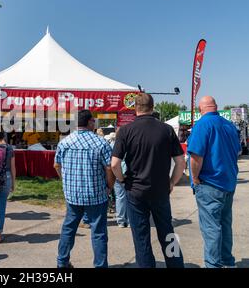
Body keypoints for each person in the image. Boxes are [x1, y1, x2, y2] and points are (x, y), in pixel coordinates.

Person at [111, 93, 185, 268]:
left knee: (141, 236)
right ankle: (176, 265)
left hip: (135, 190)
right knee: (168, 232)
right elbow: (180, 162)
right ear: (153, 107)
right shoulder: (166, 130)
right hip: (160, 190)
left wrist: (122, 181)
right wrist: (172, 182)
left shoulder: (126, 131)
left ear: (135, 108)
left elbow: (115, 164)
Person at [54, 110, 114, 268]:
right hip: (96, 194)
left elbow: (57, 165)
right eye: (93, 121)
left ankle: (62, 262)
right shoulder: (100, 143)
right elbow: (109, 168)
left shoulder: (65, 142)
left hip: (73, 195)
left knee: (69, 228)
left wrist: (65, 181)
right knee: (99, 232)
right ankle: (100, 265)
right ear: (90, 122)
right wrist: (109, 186)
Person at [188, 96, 241, 268]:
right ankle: (227, 261)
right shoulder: (229, 125)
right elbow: (238, 152)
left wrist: (195, 178)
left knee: (211, 228)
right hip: (228, 183)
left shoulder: (202, 125)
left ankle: (213, 264)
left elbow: (195, 156)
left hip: (210, 183)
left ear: (200, 109)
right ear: (216, 107)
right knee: (225, 225)